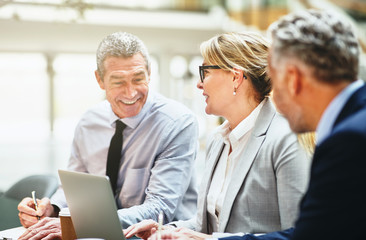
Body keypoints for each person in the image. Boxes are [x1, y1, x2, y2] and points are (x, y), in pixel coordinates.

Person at [150, 9, 366, 240]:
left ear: (293, 78)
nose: (273, 90)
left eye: (275, 76)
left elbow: (307, 233)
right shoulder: (219, 139)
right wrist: (171, 231)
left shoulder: (347, 139)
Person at [124, 32, 310, 240]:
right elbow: (209, 224)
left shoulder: (286, 140)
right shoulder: (217, 140)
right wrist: (168, 230)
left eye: (205, 71)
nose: (199, 84)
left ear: (235, 77)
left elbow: (300, 234)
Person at [17, 31, 199, 239]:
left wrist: (82, 224)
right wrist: (53, 209)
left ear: (149, 73)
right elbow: (75, 190)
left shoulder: (177, 123)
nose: (130, 93)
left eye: (138, 78)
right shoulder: (89, 122)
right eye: (118, 82)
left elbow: (160, 208)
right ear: (100, 79)